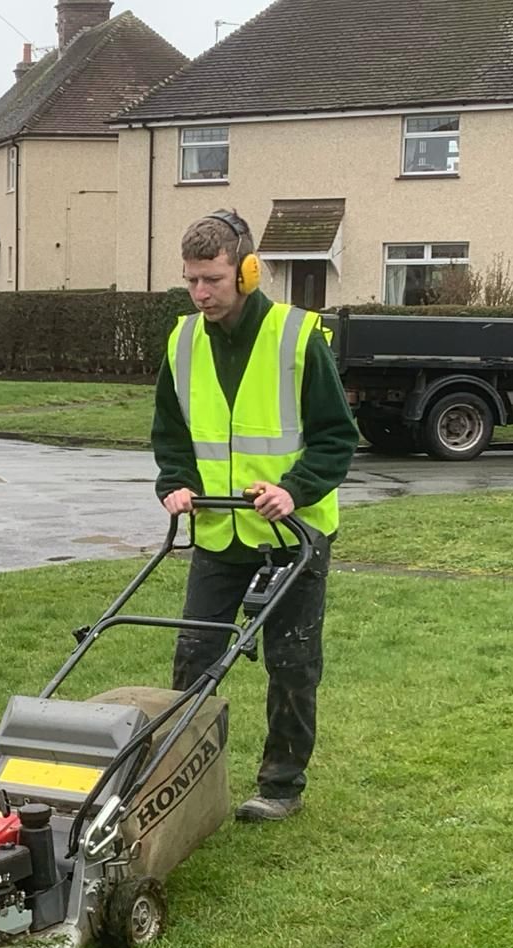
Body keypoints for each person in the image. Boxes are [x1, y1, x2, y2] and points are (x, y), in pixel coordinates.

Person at [153, 210, 358, 822]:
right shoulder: (183, 340)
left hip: (293, 535)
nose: (200, 293)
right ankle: (176, 775)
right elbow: (172, 432)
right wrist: (176, 483)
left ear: (247, 271)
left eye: (212, 279)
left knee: (291, 661)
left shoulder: (298, 337)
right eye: (191, 280)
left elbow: (336, 437)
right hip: (219, 531)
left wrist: (294, 489)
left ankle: (280, 787)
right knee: (195, 654)